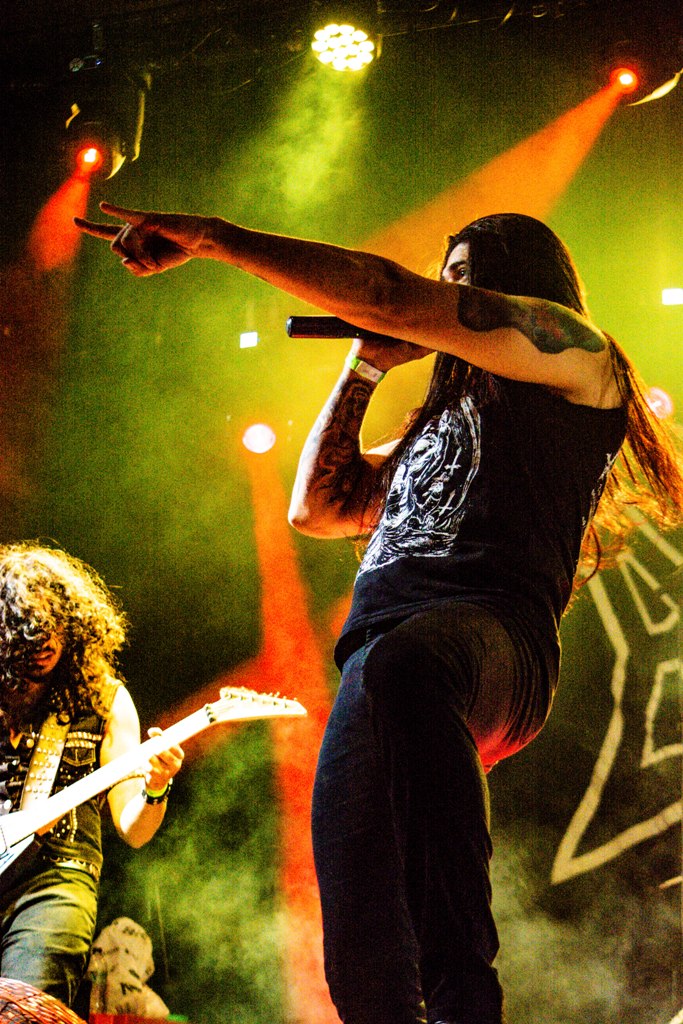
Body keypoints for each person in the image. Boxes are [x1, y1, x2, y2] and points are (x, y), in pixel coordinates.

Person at [75, 205, 683, 1024]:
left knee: (410, 664)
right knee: (358, 948)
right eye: (444, 277)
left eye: (460, 278)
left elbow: (389, 293)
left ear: (517, 280)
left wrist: (214, 238)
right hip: (378, 663)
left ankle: (467, 997)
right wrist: (364, 365)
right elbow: (317, 508)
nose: (443, 291)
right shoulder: (434, 425)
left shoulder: (575, 351)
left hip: (492, 641)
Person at [0, 542, 184, 1009]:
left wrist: (156, 785)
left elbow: (134, 829)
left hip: (55, 882)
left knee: (26, 1008)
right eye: (28, 636)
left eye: (53, 629)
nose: (44, 646)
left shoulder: (105, 699)